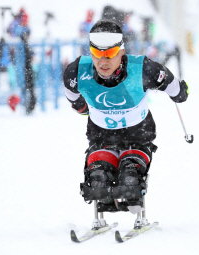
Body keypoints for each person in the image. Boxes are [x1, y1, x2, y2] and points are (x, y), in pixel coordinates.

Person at [63, 20, 189, 216]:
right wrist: (81, 107)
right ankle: (103, 204)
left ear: (121, 52)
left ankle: (134, 201)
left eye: (110, 54)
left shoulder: (142, 69)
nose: (103, 61)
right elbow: (71, 93)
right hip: (101, 136)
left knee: (130, 180)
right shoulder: (77, 71)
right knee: (98, 180)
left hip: (137, 135)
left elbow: (170, 82)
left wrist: (180, 93)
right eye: (97, 54)